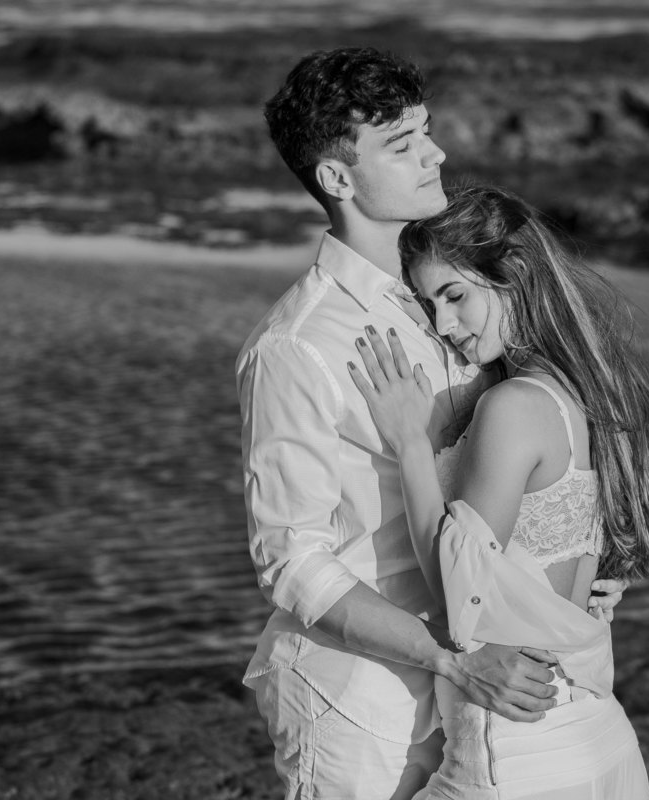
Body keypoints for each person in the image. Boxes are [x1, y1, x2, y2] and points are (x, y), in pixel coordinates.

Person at [236, 49, 628, 799]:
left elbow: (513, 485)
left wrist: (570, 579)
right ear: (337, 179)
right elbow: (291, 561)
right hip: (359, 700)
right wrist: (451, 658)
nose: (435, 153)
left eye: (427, 131)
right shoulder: (298, 348)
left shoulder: (453, 296)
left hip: (487, 689)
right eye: (402, 143)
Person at [348, 184, 649, 798]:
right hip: (590, 736)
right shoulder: (583, 395)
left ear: (516, 276)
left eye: (455, 296)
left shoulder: (512, 406)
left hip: (511, 757)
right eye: (430, 306)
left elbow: (460, 599)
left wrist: (412, 444)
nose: (444, 325)